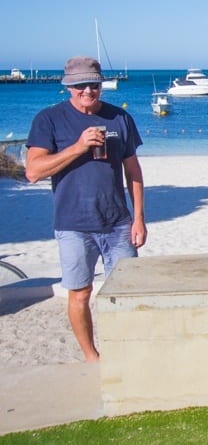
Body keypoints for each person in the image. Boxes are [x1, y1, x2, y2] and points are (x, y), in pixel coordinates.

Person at [25, 56, 147, 362]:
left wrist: (139, 219)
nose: (88, 91)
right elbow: (33, 171)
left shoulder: (119, 118)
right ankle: (92, 356)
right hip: (73, 225)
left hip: (118, 223)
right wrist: (78, 147)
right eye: (80, 86)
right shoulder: (49, 119)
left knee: (128, 292)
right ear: (68, 86)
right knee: (80, 293)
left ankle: (126, 350)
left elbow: (133, 171)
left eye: (94, 84)